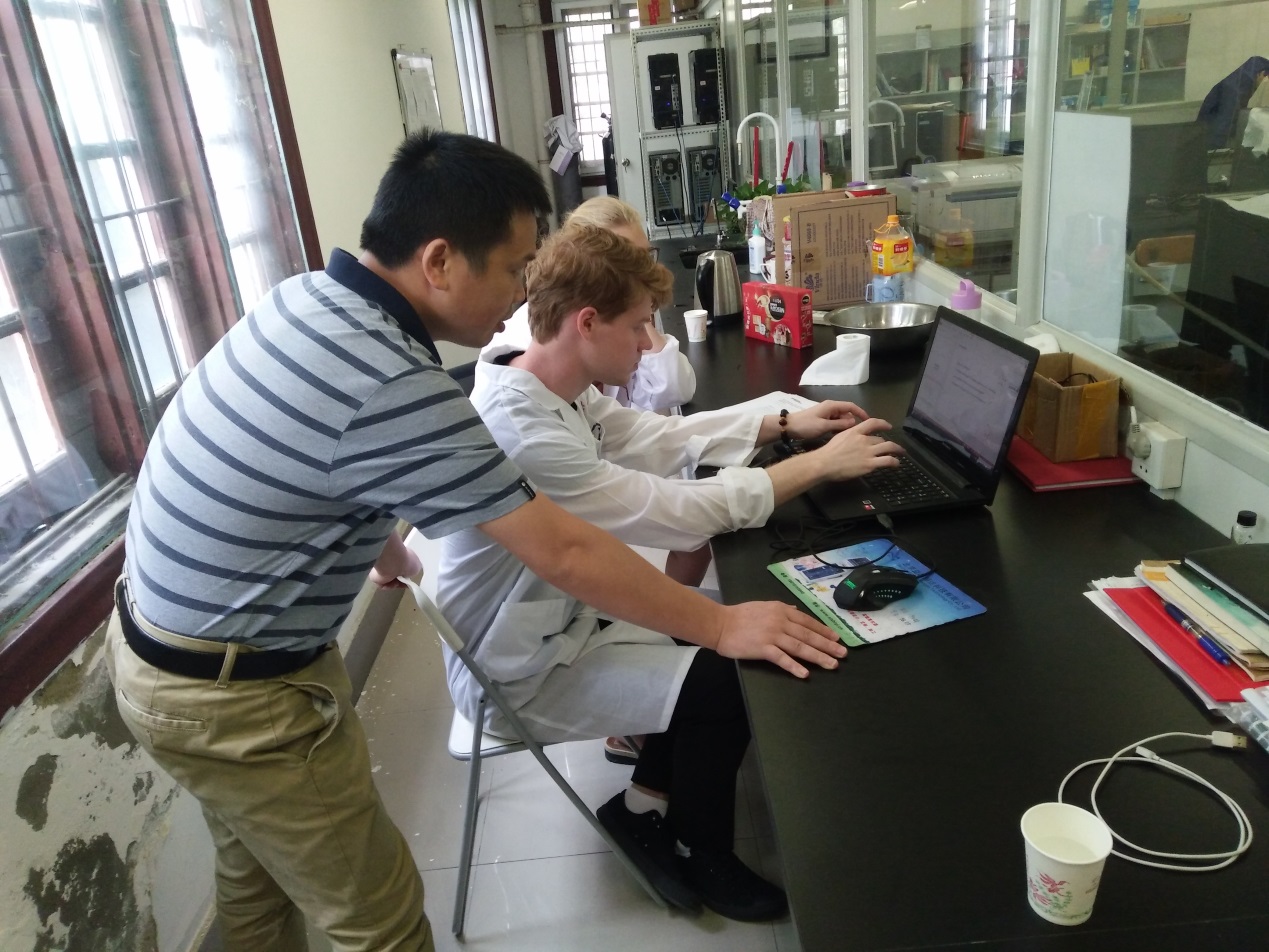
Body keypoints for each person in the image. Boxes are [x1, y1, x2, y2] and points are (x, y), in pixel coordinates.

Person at [105, 130, 849, 952]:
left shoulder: (313, 303)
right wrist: (720, 620)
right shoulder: (400, 381)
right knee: (380, 921)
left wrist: (381, 548)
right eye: (512, 268)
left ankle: (653, 806)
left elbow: (309, 454)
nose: (522, 292)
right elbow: (566, 551)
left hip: (164, 642)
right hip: (233, 688)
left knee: (254, 886)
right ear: (438, 261)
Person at [434, 222, 901, 923]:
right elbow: (670, 511)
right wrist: (816, 468)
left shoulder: (550, 383)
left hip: (558, 618)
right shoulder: (522, 429)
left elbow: (655, 435)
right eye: (638, 327)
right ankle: (701, 849)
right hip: (515, 669)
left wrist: (781, 424)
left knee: (711, 634)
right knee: (727, 675)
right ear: (586, 323)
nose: (647, 344)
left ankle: (640, 807)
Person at [485, 195, 695, 413]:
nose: (644, 271)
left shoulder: (619, 314)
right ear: (584, 261)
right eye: (626, 260)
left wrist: (637, 312)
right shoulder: (534, 345)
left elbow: (675, 390)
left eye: (646, 256)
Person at [1197, 56, 1269, 149]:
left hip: (1212, 136)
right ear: (1262, 74)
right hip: (1212, 142)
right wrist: (1218, 152)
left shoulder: (1242, 84)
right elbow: (1225, 124)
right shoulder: (1235, 90)